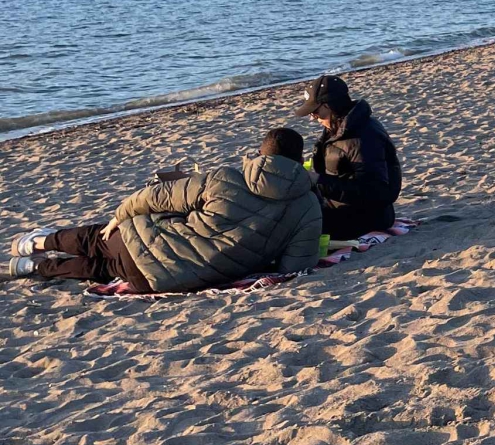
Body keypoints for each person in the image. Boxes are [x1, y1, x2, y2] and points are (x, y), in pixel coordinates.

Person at [5, 128, 322, 292]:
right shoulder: (309, 207)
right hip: (161, 280)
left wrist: (120, 213)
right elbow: (293, 267)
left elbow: (159, 195)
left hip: (150, 243)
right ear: (299, 160)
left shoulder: (227, 177)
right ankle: (36, 269)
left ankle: (36, 244)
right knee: (99, 268)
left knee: (96, 238)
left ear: (260, 155)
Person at [295, 75, 403, 239]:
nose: (312, 117)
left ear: (329, 106)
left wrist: (318, 181)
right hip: (340, 206)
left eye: (315, 112)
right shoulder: (339, 127)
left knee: (297, 229)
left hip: (368, 217)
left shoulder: (363, 137)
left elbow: (375, 192)